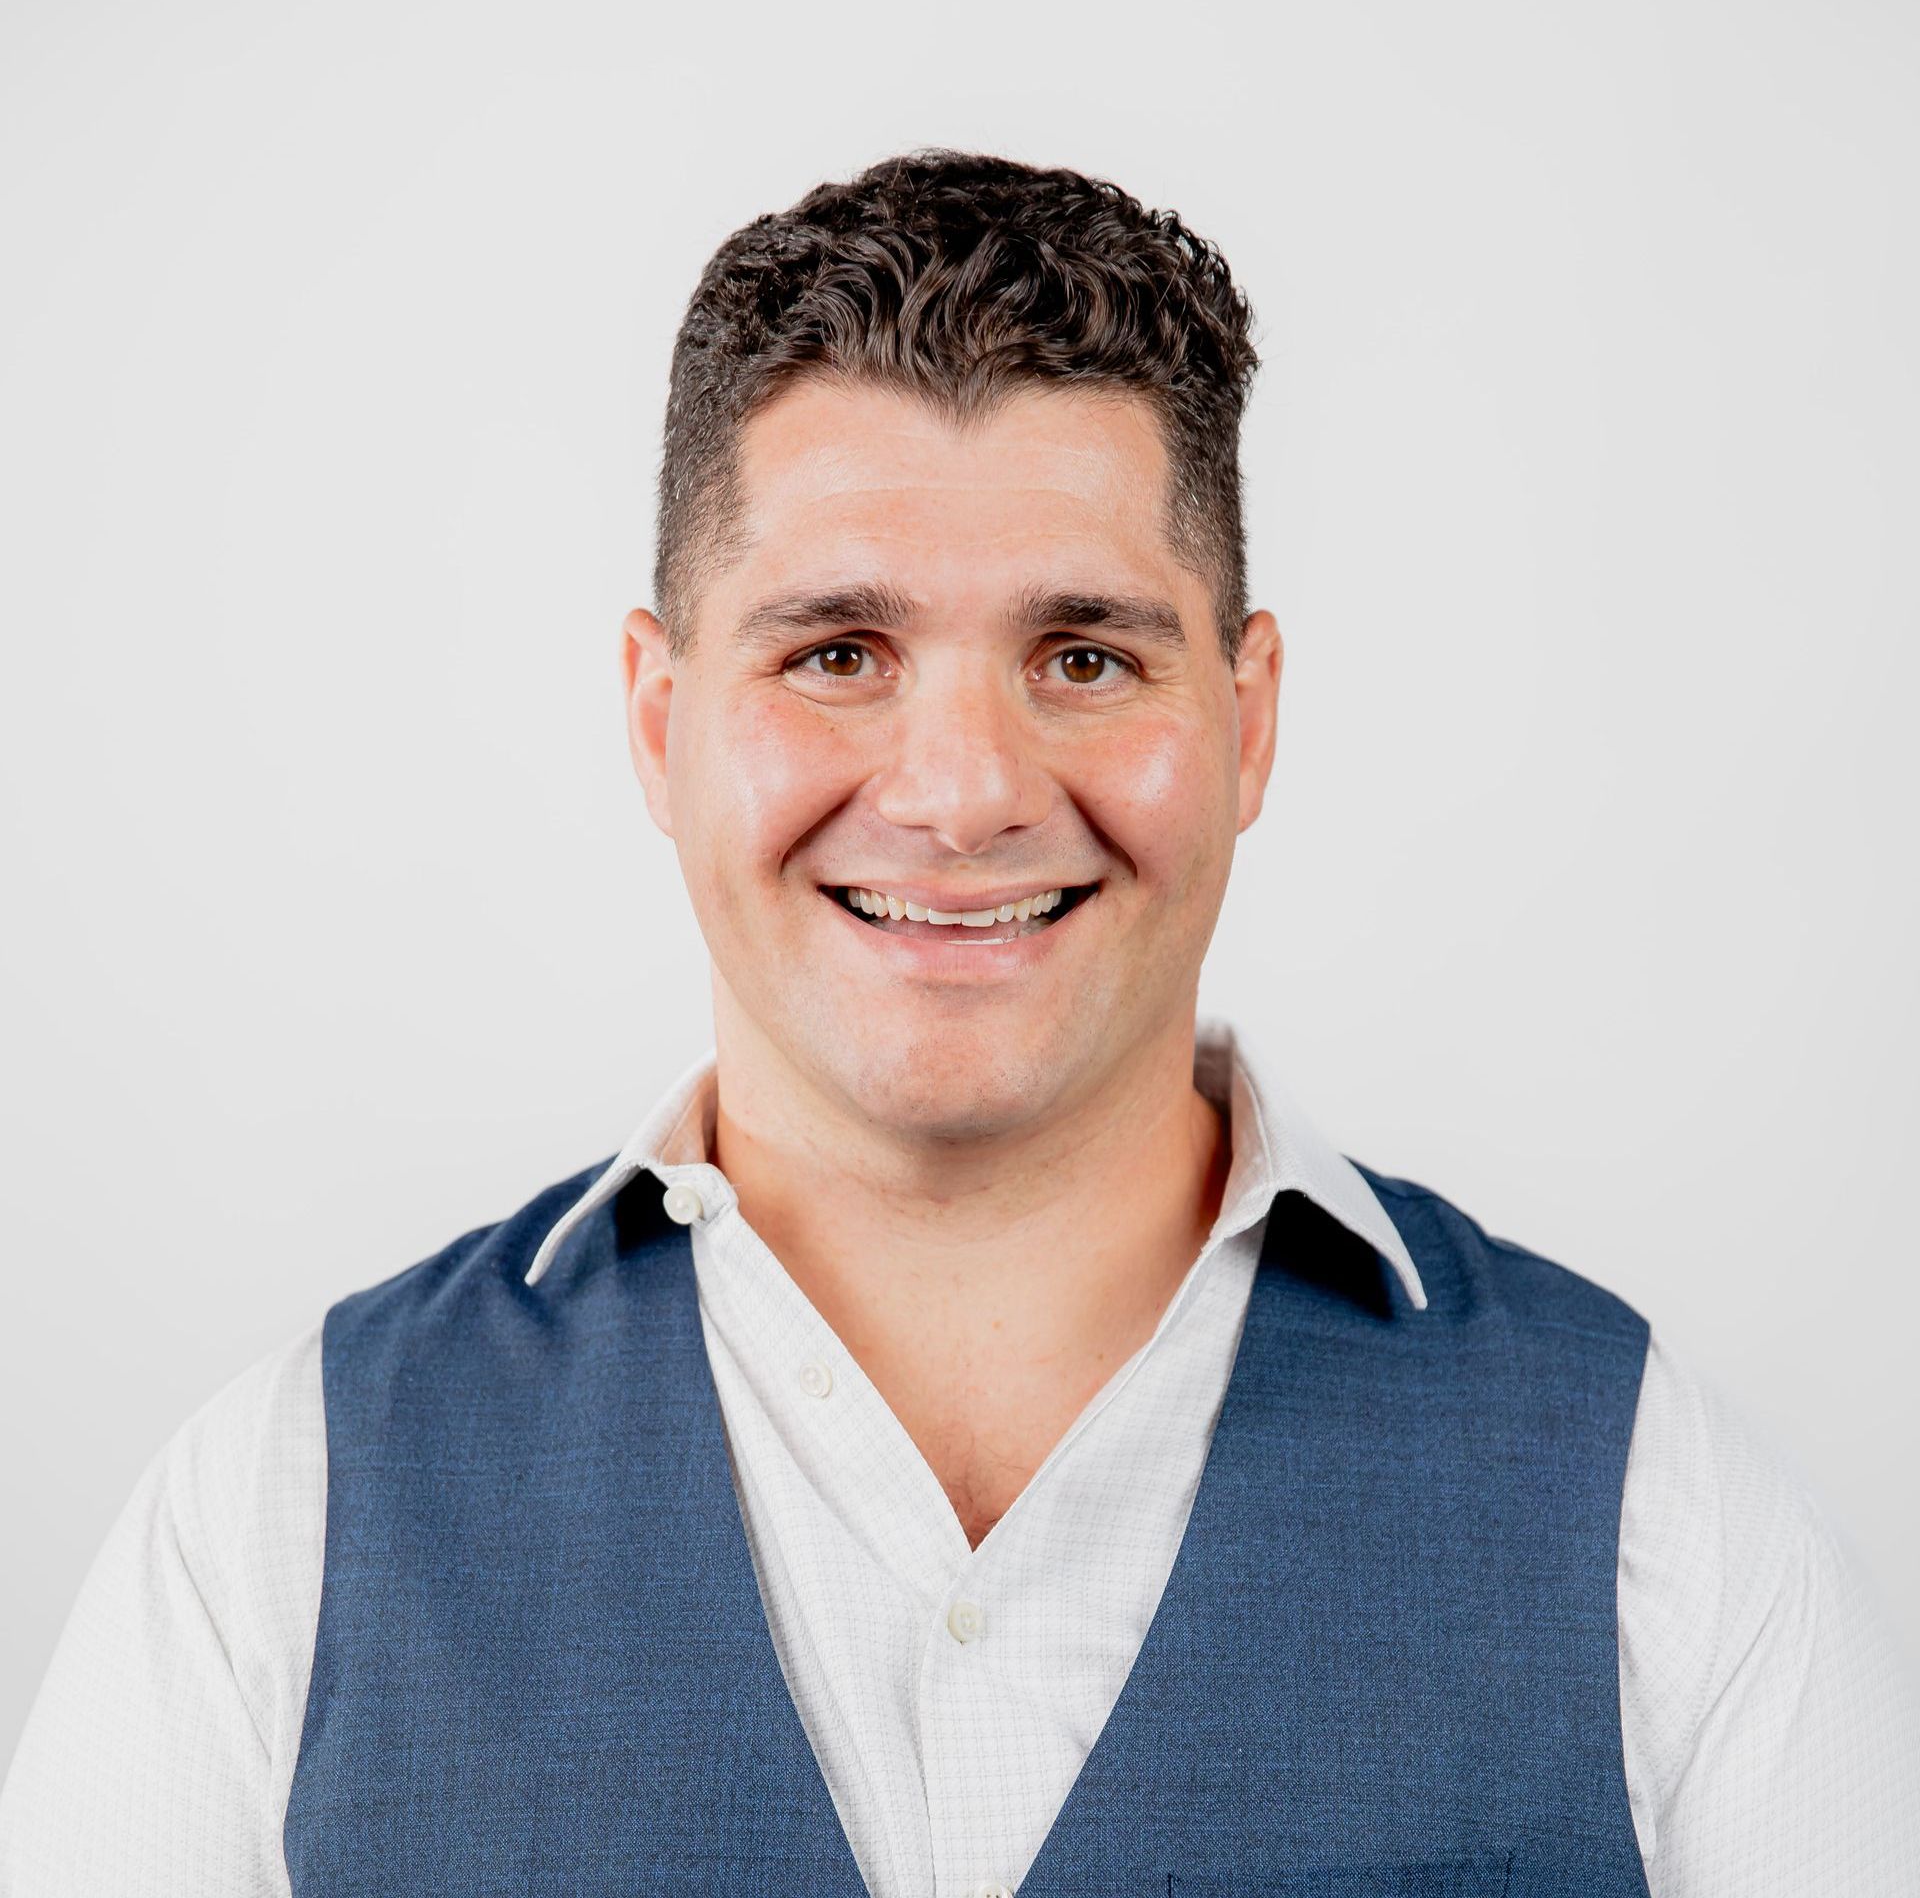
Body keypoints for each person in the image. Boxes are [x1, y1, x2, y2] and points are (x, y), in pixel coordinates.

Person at [1, 147, 1914, 1897]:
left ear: (1248, 718)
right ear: (662, 722)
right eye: (837, 653)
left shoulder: (1661, 1513)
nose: (963, 786)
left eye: (1085, 656)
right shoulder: (281, 1522)